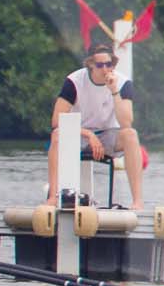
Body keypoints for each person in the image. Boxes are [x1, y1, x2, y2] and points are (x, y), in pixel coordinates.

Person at [45, 45, 144, 207]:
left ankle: (137, 201)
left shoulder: (123, 83)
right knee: (57, 134)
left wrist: (114, 91)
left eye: (109, 64)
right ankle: (53, 198)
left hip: (108, 134)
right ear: (90, 65)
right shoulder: (74, 81)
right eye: (100, 65)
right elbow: (56, 121)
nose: (105, 69)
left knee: (131, 135)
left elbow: (126, 122)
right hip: (80, 133)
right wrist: (88, 135)